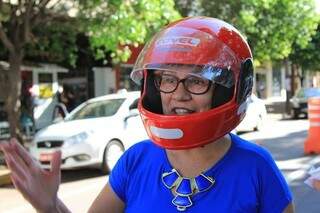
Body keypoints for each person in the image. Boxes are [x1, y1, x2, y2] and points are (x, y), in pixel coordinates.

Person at [0, 17, 294, 212]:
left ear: (231, 89)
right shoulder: (136, 160)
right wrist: (49, 206)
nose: (178, 93)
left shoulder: (257, 168)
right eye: (166, 79)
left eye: (197, 80)